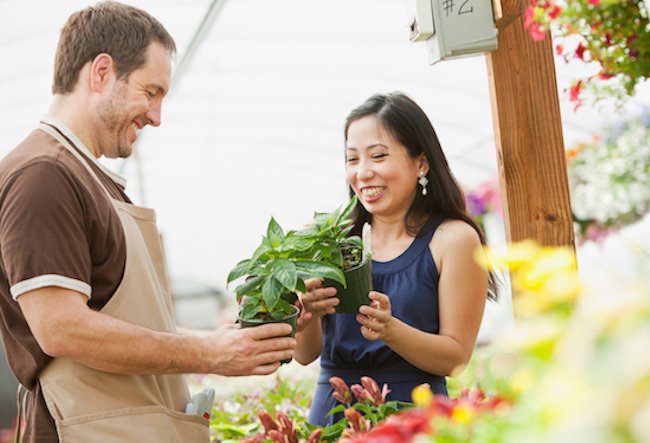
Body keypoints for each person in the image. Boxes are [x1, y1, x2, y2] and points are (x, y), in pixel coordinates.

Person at [0, 3, 295, 442]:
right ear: (101, 72)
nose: (156, 116)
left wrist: (237, 339)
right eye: (150, 92)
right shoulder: (43, 174)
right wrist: (206, 353)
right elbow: (61, 328)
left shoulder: (91, 178)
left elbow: (129, 320)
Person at [294, 92, 497, 425]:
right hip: (333, 415)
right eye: (352, 159)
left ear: (421, 162)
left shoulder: (453, 239)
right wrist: (305, 317)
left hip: (413, 419)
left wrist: (390, 330)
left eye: (378, 156)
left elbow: (455, 358)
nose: (363, 172)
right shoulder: (329, 239)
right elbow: (305, 355)